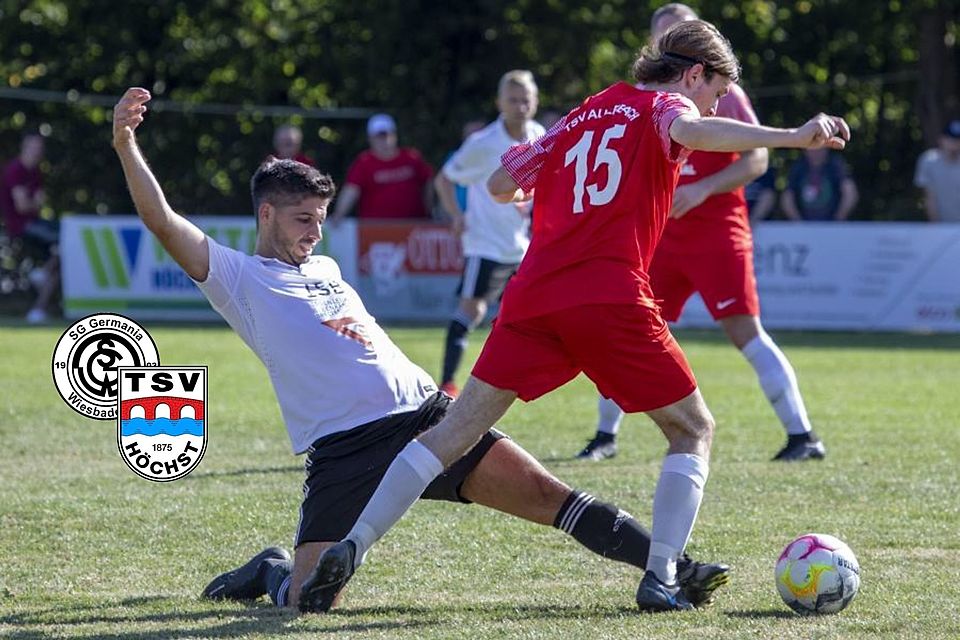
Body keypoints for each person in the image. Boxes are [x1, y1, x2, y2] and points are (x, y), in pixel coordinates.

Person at [110, 87, 729, 614]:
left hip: (428, 419)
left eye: (321, 217)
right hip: (343, 450)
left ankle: (671, 565)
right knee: (306, 603)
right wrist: (125, 144)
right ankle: (273, 569)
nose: (315, 231)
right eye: (303, 219)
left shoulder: (325, 264)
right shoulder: (236, 277)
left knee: (550, 497)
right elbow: (163, 221)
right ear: (266, 214)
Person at [304, 19, 850, 614]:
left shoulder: (584, 111)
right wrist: (794, 135)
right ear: (695, 73)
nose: (716, 101)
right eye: (717, 90)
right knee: (692, 429)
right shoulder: (665, 105)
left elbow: (497, 182)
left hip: (533, 295)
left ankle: (355, 544)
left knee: (451, 433)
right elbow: (691, 127)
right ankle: (660, 574)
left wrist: (544, 189)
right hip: (609, 294)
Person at [577, 3, 825, 464]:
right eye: (663, 37)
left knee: (743, 329)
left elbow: (757, 159)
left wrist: (703, 190)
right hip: (662, 235)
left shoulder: (722, 92)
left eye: (681, 34)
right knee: (626, 326)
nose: (673, 45)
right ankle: (604, 436)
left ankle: (802, 435)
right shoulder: (641, 98)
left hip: (716, 231)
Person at [435, 71, 545, 398]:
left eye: (526, 99)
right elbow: (444, 179)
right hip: (486, 245)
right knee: (472, 310)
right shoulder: (483, 143)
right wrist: (456, 215)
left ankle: (517, 379)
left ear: (536, 101)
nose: (520, 105)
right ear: (499, 103)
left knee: (531, 313)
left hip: (523, 245)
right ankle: (447, 384)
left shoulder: (539, 134)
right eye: (512, 99)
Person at [328, 113, 434, 222]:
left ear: (394, 135)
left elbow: (428, 182)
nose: (384, 141)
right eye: (379, 137)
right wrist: (339, 214)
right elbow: (351, 190)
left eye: (387, 135)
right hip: (375, 230)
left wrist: (429, 210)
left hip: (413, 227)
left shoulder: (412, 158)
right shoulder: (364, 162)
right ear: (370, 139)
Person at [0, 133, 59, 323]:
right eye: (33, 147)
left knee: (62, 254)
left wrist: (35, 203)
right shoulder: (15, 170)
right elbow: (22, 206)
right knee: (62, 241)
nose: (37, 152)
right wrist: (36, 202)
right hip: (20, 227)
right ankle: (41, 274)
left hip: (34, 224)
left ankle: (38, 310)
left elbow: (34, 203)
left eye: (39, 148)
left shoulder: (35, 172)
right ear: (24, 148)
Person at [781, 147, 858, 221]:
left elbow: (850, 194)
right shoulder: (798, 167)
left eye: (820, 147)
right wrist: (799, 223)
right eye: (813, 147)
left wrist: (838, 220)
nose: (816, 150)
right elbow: (787, 198)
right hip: (804, 227)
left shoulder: (836, 165)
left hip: (833, 227)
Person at [914, 119, 960, 222]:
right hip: (940, 228)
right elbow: (929, 198)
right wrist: (936, 228)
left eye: (958, 140)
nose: (955, 143)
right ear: (941, 139)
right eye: (951, 139)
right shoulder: (928, 161)